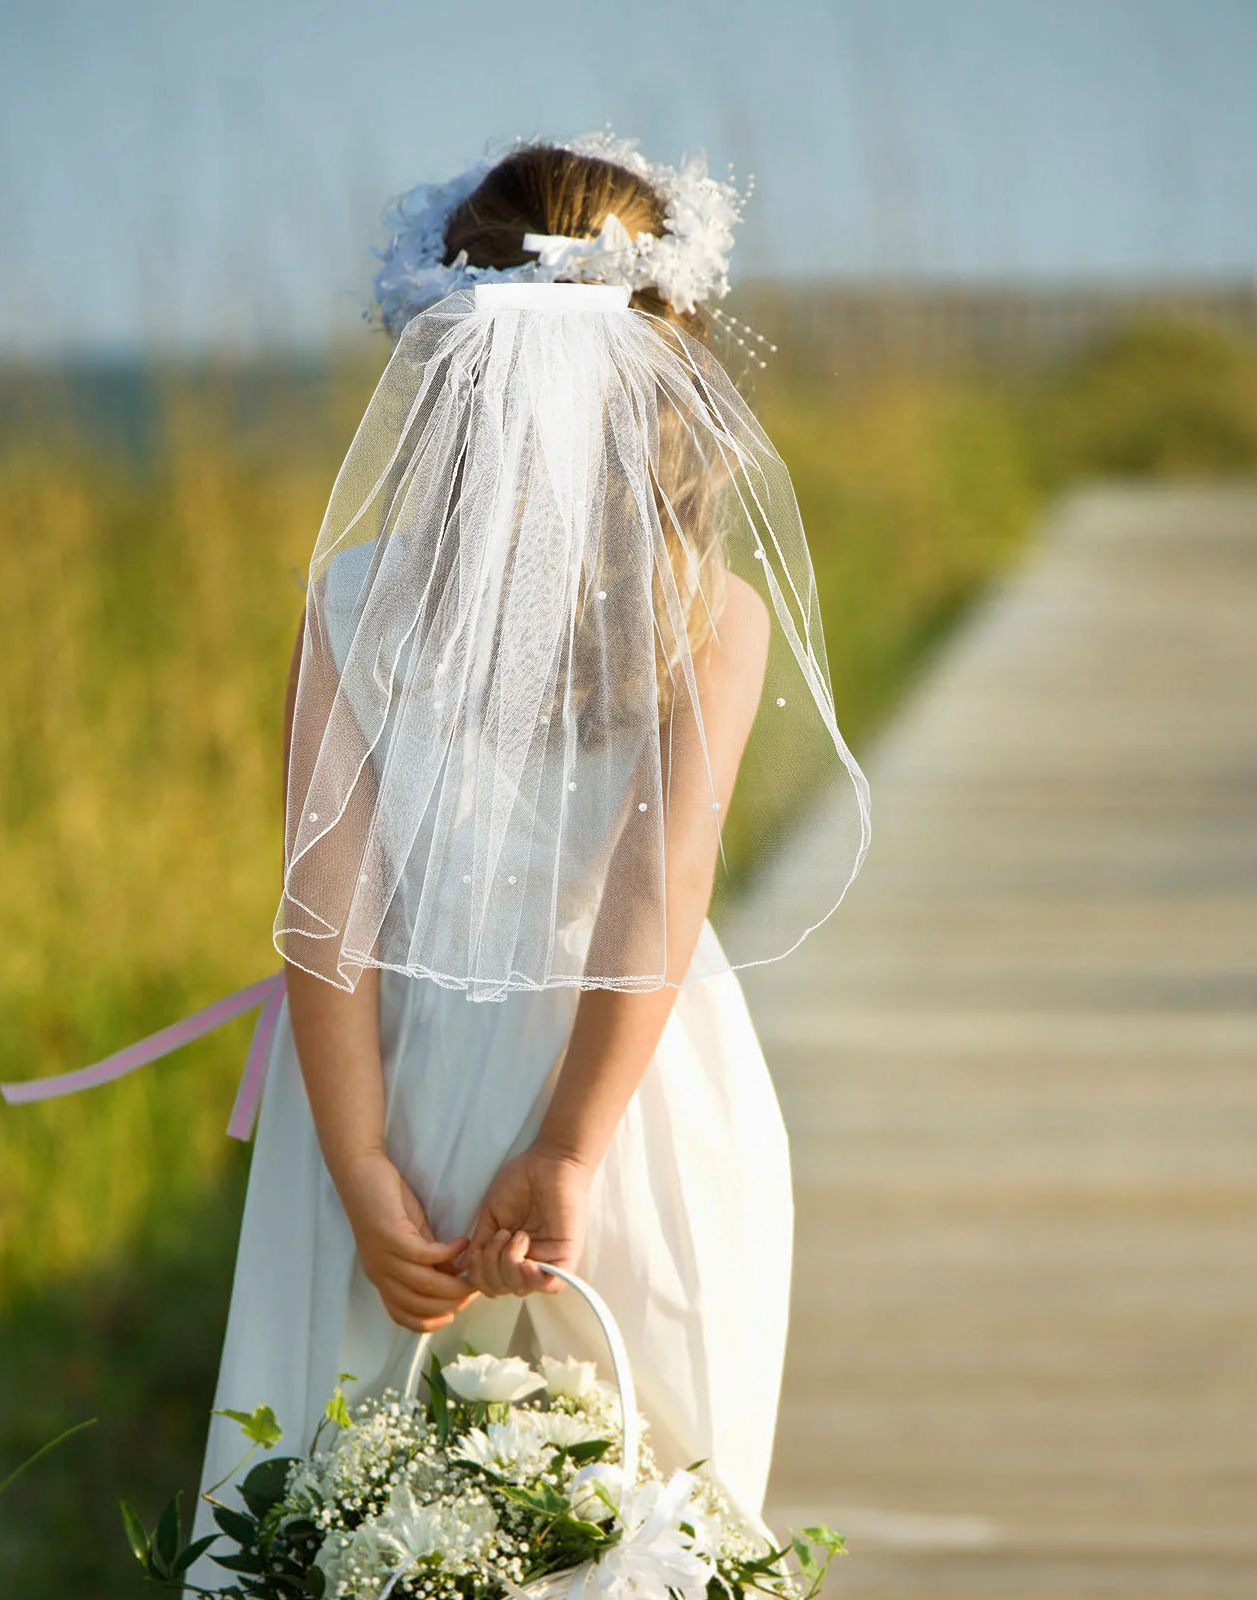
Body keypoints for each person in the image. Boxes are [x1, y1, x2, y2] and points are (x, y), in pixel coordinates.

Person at [189, 134, 869, 1582]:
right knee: (643, 1507)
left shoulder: (352, 600)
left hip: (389, 1086)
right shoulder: (708, 613)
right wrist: (566, 1150)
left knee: (345, 1494)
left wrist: (362, 1167)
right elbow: (651, 900)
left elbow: (326, 910)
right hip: (629, 1107)